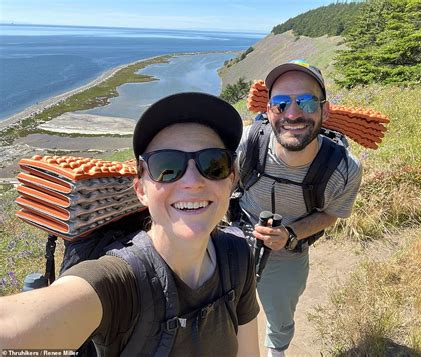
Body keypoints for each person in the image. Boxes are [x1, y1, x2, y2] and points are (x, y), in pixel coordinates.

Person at [0, 92, 260, 356]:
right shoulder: (119, 284)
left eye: (212, 164)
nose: (192, 181)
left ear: (231, 179)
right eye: (166, 166)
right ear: (141, 190)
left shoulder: (236, 256)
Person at [235, 60, 363, 356]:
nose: (292, 114)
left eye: (305, 102)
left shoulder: (342, 169)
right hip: (236, 237)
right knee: (224, 308)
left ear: (325, 110)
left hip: (289, 251)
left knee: (280, 313)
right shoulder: (246, 143)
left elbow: (330, 214)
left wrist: (290, 234)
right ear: (268, 111)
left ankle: (276, 352)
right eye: (280, 103)